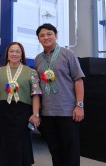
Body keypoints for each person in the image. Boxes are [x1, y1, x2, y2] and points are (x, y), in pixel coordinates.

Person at [34, 23, 85, 166]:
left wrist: (79, 105)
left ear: (56, 35)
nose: (46, 37)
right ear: (39, 40)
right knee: (55, 150)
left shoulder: (67, 54)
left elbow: (78, 80)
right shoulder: (38, 59)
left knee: (71, 150)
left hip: (68, 111)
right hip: (48, 112)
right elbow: (37, 88)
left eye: (49, 34)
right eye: (42, 35)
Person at [0, 42, 42, 166]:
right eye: (11, 51)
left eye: (17, 51)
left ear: (22, 55)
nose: (14, 54)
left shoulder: (31, 72)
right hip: (4, 111)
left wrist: (35, 114)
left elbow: (35, 94)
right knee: (6, 141)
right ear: (7, 54)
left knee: (21, 141)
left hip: (23, 112)